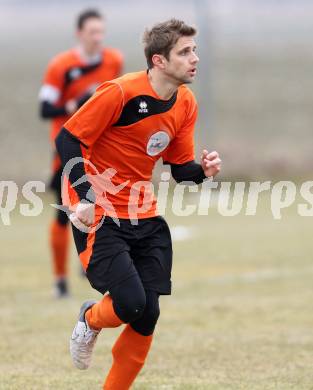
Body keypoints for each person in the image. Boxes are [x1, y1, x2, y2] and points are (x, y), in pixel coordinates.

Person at [56, 18, 221, 389]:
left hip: (143, 213)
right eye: (185, 52)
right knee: (131, 304)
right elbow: (68, 141)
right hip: (100, 214)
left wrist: (203, 172)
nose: (195, 58)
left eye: (194, 50)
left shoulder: (185, 102)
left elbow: (180, 168)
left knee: (148, 314)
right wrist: (85, 198)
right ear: (159, 61)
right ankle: (90, 318)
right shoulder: (120, 92)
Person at [39, 9, 123, 297]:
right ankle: (60, 280)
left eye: (101, 32)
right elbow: (45, 109)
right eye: (92, 32)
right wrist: (73, 107)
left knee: (102, 206)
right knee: (65, 212)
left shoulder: (113, 60)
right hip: (68, 149)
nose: (98, 38)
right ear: (80, 34)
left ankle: (90, 264)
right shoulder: (61, 65)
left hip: (99, 149)